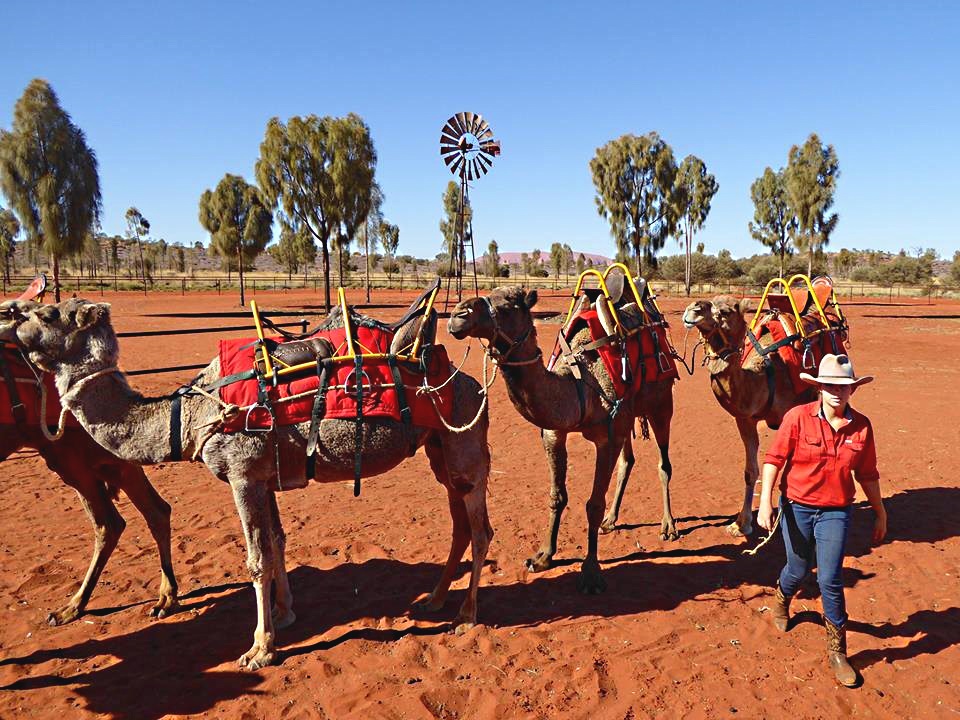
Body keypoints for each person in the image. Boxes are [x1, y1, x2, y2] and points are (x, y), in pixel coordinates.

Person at [757, 353, 886, 687]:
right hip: (797, 506)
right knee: (798, 570)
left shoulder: (861, 426)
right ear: (819, 387)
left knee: (830, 578)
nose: (836, 392)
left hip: (836, 511)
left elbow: (867, 474)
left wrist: (880, 510)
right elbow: (773, 459)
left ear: (852, 390)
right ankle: (782, 600)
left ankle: (838, 651)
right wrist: (765, 502)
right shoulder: (797, 418)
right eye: (829, 385)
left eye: (843, 387)